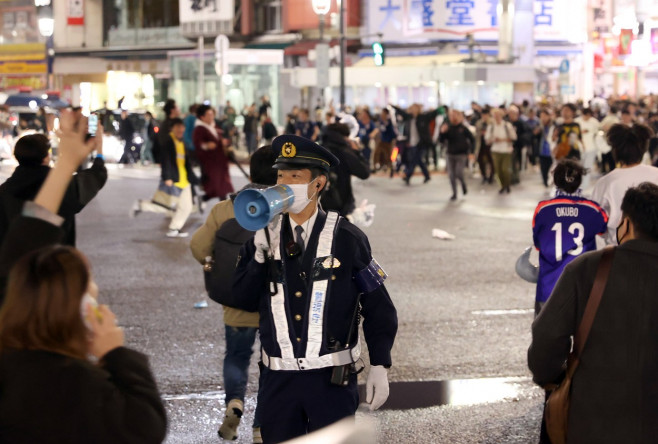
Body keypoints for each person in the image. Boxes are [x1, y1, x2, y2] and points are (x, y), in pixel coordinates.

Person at [0, 110, 167, 443]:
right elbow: (145, 424)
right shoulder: (76, 385)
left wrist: (66, 162)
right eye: (88, 289)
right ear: (74, 310)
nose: (95, 291)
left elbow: (25, 241)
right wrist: (114, 353)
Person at [232, 135, 398, 443]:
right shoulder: (261, 239)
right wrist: (256, 258)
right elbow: (241, 299)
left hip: (331, 384)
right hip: (277, 383)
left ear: (317, 184)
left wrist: (380, 364)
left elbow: (379, 306)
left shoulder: (347, 238)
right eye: (280, 176)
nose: (284, 183)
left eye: (295, 177)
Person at [528, 182, 658, 444]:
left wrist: (550, 376)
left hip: (592, 420)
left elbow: (547, 334)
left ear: (628, 224)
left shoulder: (589, 268)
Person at [190, 146, 279, 444]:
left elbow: (198, 247)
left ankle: (234, 403)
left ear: (250, 173)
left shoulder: (226, 209)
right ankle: (262, 426)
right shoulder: (287, 210)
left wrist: (213, 264)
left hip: (237, 302)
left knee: (237, 357)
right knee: (273, 363)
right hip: (274, 304)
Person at [0, 132, 107, 247]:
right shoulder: (61, 186)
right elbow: (97, 175)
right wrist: (99, 151)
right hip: (54, 259)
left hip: (14, 261)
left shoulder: (4, 191)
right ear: (46, 157)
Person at [531, 160, 608, 315]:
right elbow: (604, 229)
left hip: (549, 288)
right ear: (580, 181)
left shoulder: (543, 209)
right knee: (584, 337)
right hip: (583, 289)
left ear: (555, 181)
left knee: (546, 337)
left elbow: (538, 243)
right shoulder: (592, 209)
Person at [591, 123, 658, 245]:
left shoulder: (605, 183)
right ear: (643, 149)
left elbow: (596, 223)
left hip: (618, 249)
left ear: (615, 151)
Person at [131, 118, 199, 238]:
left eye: (182, 127)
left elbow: (186, 164)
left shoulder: (181, 142)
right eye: (177, 127)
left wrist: (195, 180)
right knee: (163, 205)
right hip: (173, 181)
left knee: (187, 207)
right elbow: (166, 160)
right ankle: (140, 205)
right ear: (172, 128)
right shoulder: (169, 142)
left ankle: (174, 228)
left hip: (184, 182)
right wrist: (167, 177)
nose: (180, 129)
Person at [320, 123, 370, 216]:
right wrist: (356, 151)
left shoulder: (320, 148)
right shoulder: (344, 151)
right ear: (344, 136)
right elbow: (364, 172)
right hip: (340, 203)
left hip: (319, 202)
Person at [391, 103, 443, 185]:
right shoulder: (409, 118)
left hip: (422, 143)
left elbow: (433, 114)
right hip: (412, 143)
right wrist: (394, 107)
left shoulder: (423, 117)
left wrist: (441, 108)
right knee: (417, 160)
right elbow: (401, 113)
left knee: (415, 159)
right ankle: (426, 175)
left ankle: (408, 176)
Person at [192, 104, 234, 202]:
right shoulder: (200, 129)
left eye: (212, 114)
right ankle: (223, 209)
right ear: (202, 117)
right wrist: (206, 145)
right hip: (211, 162)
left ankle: (203, 199)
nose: (211, 116)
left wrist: (223, 142)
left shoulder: (213, 126)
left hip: (220, 161)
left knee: (219, 187)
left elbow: (219, 139)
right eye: (209, 114)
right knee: (219, 187)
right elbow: (198, 144)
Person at [439, 109, 475, 201]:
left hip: (461, 154)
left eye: (455, 115)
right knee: (451, 175)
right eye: (451, 115)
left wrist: (471, 152)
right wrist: (442, 132)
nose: (453, 117)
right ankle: (454, 193)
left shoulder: (463, 128)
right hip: (450, 153)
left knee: (459, 172)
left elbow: (472, 140)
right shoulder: (448, 127)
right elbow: (441, 141)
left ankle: (463, 184)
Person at [485, 108, 517, 194]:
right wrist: (493, 139)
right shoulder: (491, 126)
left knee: (505, 169)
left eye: (498, 115)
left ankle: (507, 184)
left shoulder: (507, 125)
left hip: (506, 150)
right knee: (498, 170)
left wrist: (503, 139)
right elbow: (487, 139)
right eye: (495, 115)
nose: (496, 117)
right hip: (495, 150)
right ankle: (502, 185)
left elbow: (514, 137)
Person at [576, 108, 600, 189]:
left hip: (591, 148)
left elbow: (598, 133)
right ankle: (578, 183)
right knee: (579, 166)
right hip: (579, 148)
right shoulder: (577, 121)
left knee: (587, 167)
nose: (587, 117)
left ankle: (584, 185)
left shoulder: (594, 122)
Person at [535, 108, 556, 188]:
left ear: (549, 116)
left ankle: (552, 182)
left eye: (544, 116)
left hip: (552, 151)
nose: (542, 118)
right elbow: (534, 136)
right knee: (544, 168)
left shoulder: (554, 125)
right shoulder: (540, 126)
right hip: (542, 151)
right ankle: (545, 183)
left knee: (552, 168)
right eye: (541, 116)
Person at [372, 108, 397, 173]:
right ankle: (375, 167)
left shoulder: (389, 121)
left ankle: (391, 167)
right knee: (376, 153)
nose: (382, 114)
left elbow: (392, 132)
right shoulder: (380, 121)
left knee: (389, 155)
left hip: (388, 141)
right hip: (382, 140)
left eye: (383, 113)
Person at [475, 107, 494, 184]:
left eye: (486, 115)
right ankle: (484, 176)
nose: (484, 117)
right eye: (483, 115)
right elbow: (476, 134)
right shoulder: (479, 123)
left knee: (491, 161)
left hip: (490, 144)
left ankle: (491, 176)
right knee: (480, 160)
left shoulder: (492, 122)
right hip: (481, 144)